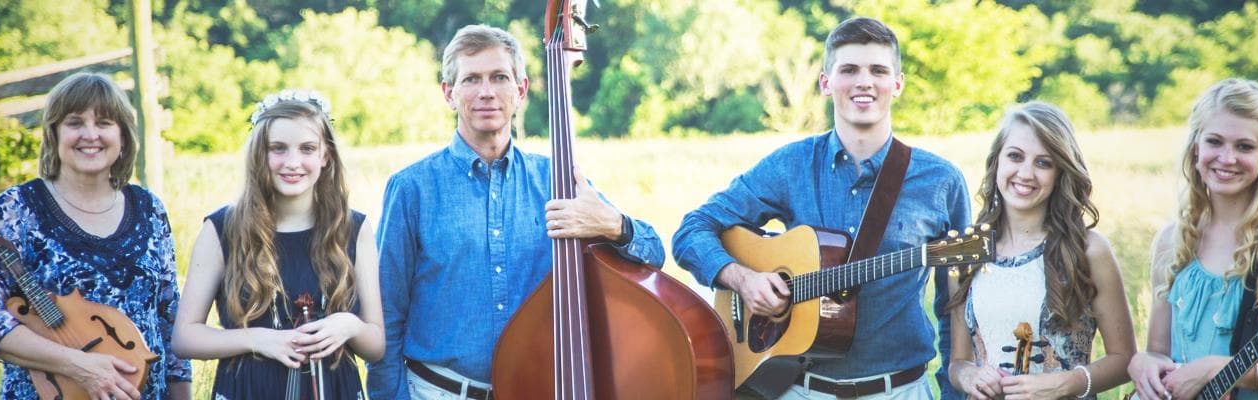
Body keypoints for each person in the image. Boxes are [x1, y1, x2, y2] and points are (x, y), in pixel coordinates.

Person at [671, 16, 972, 399]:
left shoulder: (941, 181)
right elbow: (693, 229)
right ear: (826, 82)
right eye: (849, 69)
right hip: (798, 389)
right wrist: (744, 280)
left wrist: (953, 392)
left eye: (878, 70)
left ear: (897, 84)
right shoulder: (789, 165)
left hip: (901, 390)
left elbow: (957, 305)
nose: (864, 81)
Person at [366, 24, 668, 400]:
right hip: (436, 392)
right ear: (449, 93)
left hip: (537, 389)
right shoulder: (412, 188)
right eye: (471, 79)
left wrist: (613, 225)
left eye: (499, 77)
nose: (486, 91)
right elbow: (385, 314)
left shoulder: (558, 180)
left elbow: (654, 253)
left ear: (520, 90)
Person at [0, 72, 190, 400]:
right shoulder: (17, 209)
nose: (90, 135)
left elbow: (169, 321)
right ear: (53, 133)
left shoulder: (149, 209)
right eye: (74, 123)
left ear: (123, 135)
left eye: (104, 123)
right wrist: (79, 366)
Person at [1126, 78, 1258, 400]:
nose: (1227, 158)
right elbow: (1158, 352)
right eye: (1215, 141)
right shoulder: (1173, 240)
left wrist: (1222, 369)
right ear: (1196, 148)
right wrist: (1143, 364)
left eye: (1244, 146)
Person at [173, 90, 384, 399]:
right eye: (278, 149)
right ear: (260, 154)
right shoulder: (222, 229)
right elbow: (185, 337)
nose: (293, 162)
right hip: (249, 390)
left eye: (308, 149)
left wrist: (349, 326)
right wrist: (258, 339)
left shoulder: (353, 228)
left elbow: (376, 345)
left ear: (325, 156)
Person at [945, 102, 1134, 399]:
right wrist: (969, 375)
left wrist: (1065, 383)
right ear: (997, 162)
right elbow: (959, 361)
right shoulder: (966, 251)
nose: (1026, 173)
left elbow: (1124, 360)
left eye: (1043, 163)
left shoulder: (1088, 250)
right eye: (1015, 157)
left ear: (1061, 172)